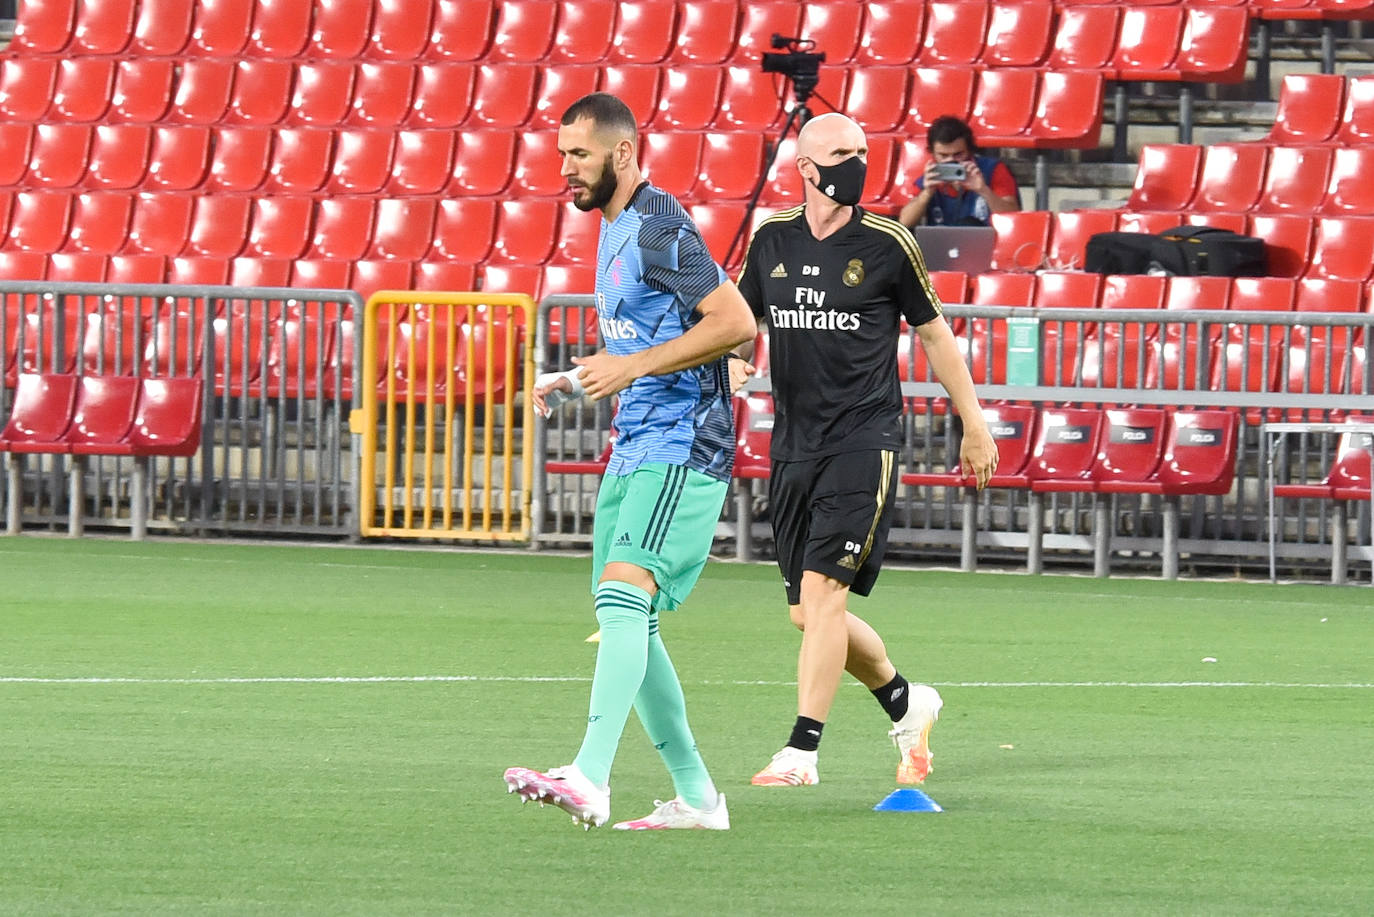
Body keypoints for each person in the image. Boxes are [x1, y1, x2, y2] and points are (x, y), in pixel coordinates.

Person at [503, 93, 756, 830]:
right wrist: (580, 377)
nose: (566, 170)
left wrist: (633, 364)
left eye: (578, 155)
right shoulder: (613, 230)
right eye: (561, 156)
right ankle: (700, 798)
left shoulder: (659, 225)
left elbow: (735, 323)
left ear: (621, 152)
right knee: (630, 621)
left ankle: (591, 772)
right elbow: (643, 340)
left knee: (623, 597)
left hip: (685, 442)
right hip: (636, 440)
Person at [733, 112, 999, 788]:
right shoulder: (770, 240)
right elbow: (742, 326)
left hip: (864, 438)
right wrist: (731, 368)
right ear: (806, 168)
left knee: (824, 594)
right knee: (808, 613)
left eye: (863, 150)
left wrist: (974, 421)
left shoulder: (888, 241)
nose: (857, 162)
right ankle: (908, 702)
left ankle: (802, 749)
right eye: (843, 152)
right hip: (793, 442)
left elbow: (935, 334)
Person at [898, 115, 1020, 228]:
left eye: (958, 154)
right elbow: (904, 223)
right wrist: (926, 194)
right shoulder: (931, 178)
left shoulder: (993, 169)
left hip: (986, 245)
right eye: (943, 156)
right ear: (932, 154)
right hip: (942, 245)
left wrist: (984, 190)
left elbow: (1012, 218)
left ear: (969, 150)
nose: (951, 160)